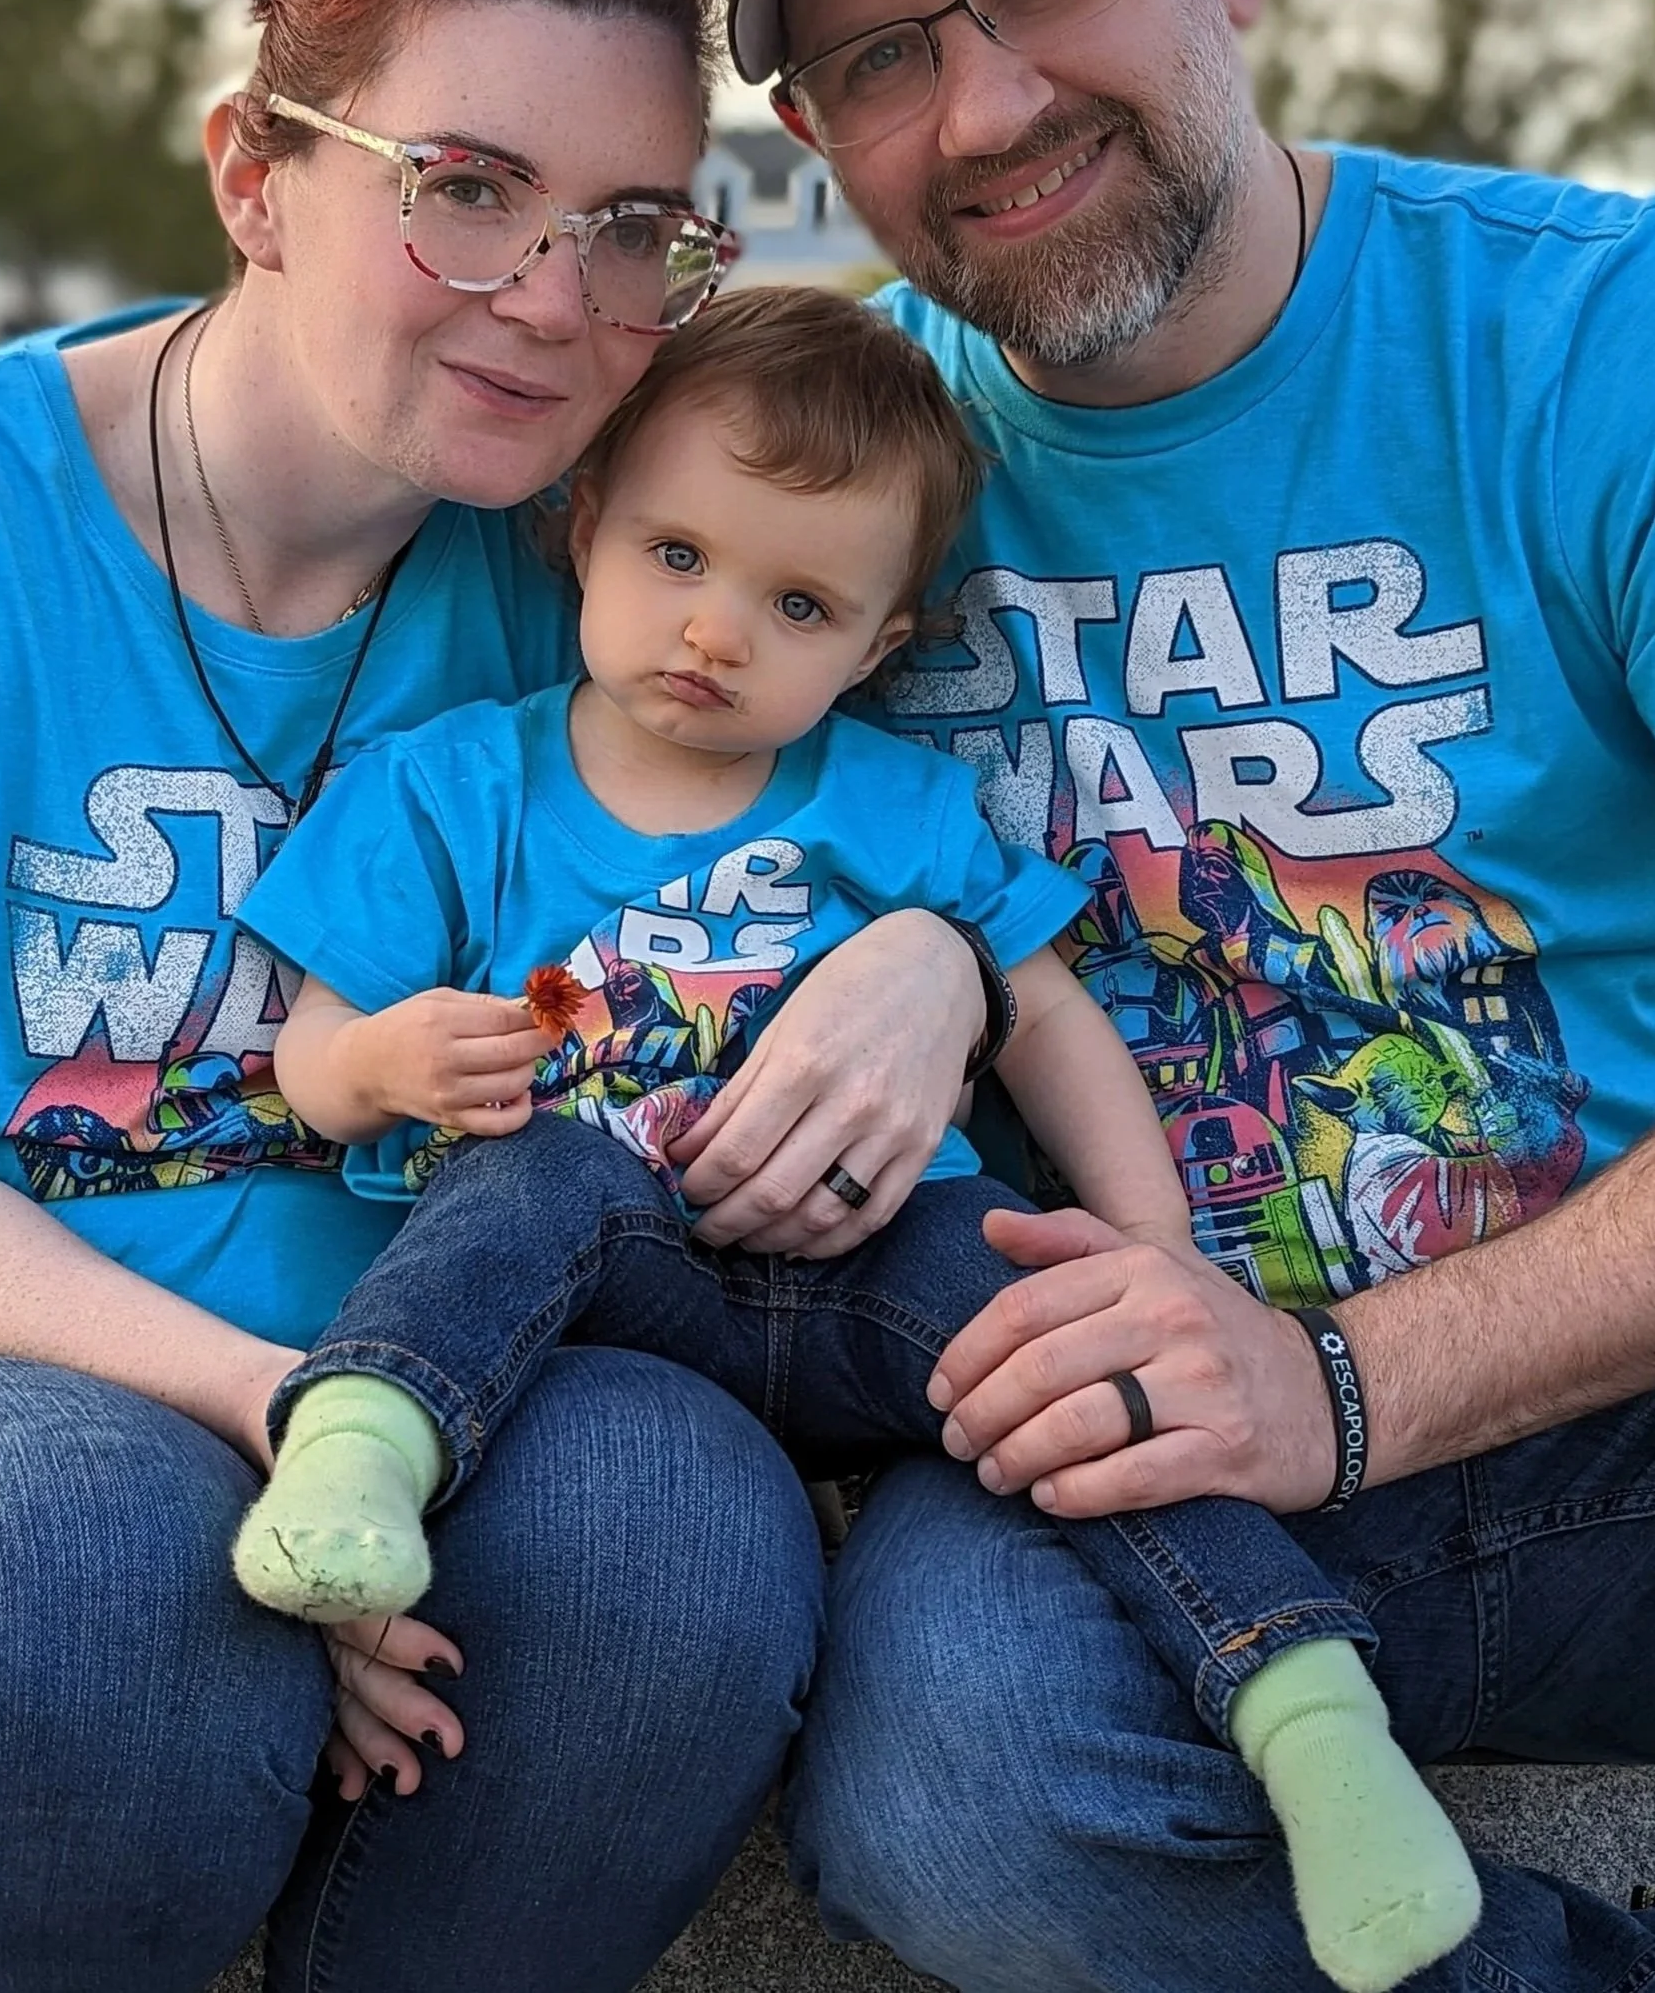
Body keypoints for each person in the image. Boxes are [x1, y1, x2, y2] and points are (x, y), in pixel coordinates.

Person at [0, 0, 993, 1993]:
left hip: (444, 1380)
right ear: (254, 170)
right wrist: (282, 1431)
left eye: (633, 229)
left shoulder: (593, 581)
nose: (558, 302)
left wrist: (933, 964)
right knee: (79, 1573)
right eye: (465, 190)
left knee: (680, 1541)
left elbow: (841, 822)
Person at [695, 0, 1655, 1993]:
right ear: (818, 137)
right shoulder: (815, 482)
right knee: (955, 1778)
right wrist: (918, 953)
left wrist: (1343, 1389)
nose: (990, 103)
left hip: (1623, 1391)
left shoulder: (1604, 346)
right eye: (878, 56)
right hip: (1122, 1464)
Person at [228, 281, 1476, 1992]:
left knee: (1061, 1336)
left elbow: (1045, 1019)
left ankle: (1308, 1712)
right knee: (539, 1173)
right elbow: (303, 1060)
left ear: (881, 641)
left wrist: (1157, 1264)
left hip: (878, 1274)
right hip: (611, 1304)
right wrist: (378, 1058)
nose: (716, 629)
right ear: (581, 523)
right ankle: (362, 1451)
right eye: (677, 554)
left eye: (797, 599)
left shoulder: (888, 804)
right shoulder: (457, 784)